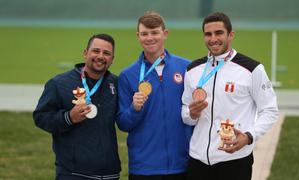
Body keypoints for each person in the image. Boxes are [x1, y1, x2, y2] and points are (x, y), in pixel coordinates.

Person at [181, 12, 279, 180]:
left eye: (219, 33)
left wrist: (249, 137)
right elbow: (185, 114)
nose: (213, 39)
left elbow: (270, 111)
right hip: (198, 160)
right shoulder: (193, 69)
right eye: (208, 34)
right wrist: (192, 114)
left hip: (234, 159)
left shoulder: (252, 69)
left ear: (231, 35)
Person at [33, 34, 121, 180]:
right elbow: (40, 117)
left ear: (112, 59)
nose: (100, 56)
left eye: (106, 53)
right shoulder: (59, 83)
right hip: (74, 173)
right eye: (96, 51)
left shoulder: (116, 84)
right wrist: (68, 118)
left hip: (110, 173)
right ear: (85, 53)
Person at [117, 12, 192, 180]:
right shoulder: (128, 75)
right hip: (144, 167)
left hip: (182, 163)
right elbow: (123, 123)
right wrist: (134, 109)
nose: (149, 38)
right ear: (138, 36)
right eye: (144, 33)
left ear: (165, 34)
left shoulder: (186, 68)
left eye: (154, 32)